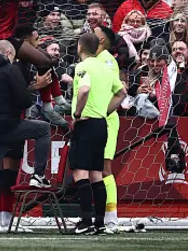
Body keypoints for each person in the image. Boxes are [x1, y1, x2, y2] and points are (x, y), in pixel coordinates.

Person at [0, 40, 52, 235]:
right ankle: (38, 175)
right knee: (43, 129)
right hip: (8, 127)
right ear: (8, 54)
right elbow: (23, 101)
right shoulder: (10, 69)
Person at [0, 0, 70, 117]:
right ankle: (48, 104)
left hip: (0, 36)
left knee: (45, 60)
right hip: (5, 40)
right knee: (45, 61)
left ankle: (54, 102)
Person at [70, 33, 126, 235]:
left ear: (79, 47)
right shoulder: (105, 67)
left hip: (86, 123)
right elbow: (122, 93)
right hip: (102, 124)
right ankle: (100, 223)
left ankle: (85, 222)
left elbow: (84, 90)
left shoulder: (82, 67)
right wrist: (106, 110)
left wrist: (77, 114)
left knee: (80, 173)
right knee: (96, 174)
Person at [93, 24, 122, 232]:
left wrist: (103, 112)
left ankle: (111, 218)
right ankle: (97, 216)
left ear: (101, 40)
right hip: (94, 119)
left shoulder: (108, 61)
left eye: (94, 33)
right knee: (92, 169)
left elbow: (119, 91)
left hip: (106, 119)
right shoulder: (93, 60)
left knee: (104, 169)